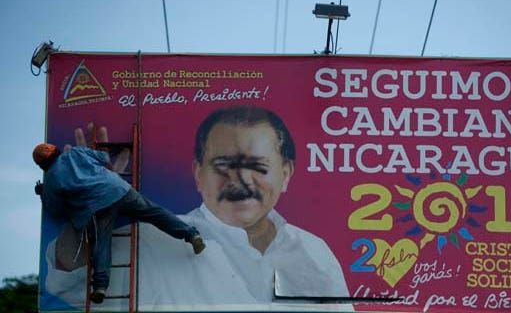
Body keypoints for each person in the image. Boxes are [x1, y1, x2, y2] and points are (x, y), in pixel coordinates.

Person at [44, 106, 350, 311]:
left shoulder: (313, 251)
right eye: (223, 165)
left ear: (285, 174)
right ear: (198, 173)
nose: (240, 179)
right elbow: (69, 278)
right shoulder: (151, 241)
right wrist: (86, 193)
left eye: (257, 166)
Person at [34, 139, 206, 304]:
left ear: (42, 165)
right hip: (117, 188)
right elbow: (104, 159)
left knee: (102, 243)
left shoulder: (51, 180)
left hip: (97, 207)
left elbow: (56, 209)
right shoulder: (75, 152)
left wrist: (43, 192)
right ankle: (191, 235)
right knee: (155, 213)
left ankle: (100, 287)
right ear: (56, 150)